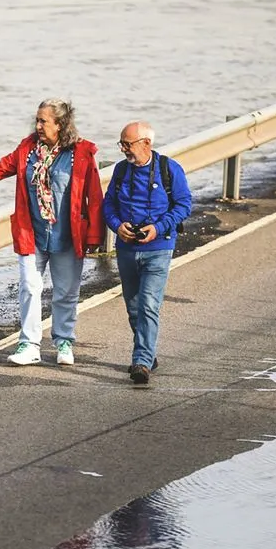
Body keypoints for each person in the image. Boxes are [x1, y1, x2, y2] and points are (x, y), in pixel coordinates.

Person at [0, 99, 104, 366]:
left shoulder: (81, 153)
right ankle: (29, 344)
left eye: (43, 121)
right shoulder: (27, 150)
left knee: (66, 292)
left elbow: (94, 196)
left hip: (68, 236)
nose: (37, 126)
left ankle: (64, 341)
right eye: (37, 120)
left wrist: (95, 236)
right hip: (31, 233)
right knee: (29, 287)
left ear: (60, 124)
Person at [102, 121, 192, 384]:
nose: (124, 150)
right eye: (122, 144)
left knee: (149, 305)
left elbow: (184, 205)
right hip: (126, 249)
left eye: (127, 144)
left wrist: (159, 227)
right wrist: (118, 227)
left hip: (159, 248)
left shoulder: (169, 169)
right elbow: (108, 206)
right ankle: (148, 352)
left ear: (146, 143)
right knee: (133, 308)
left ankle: (141, 362)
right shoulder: (120, 171)